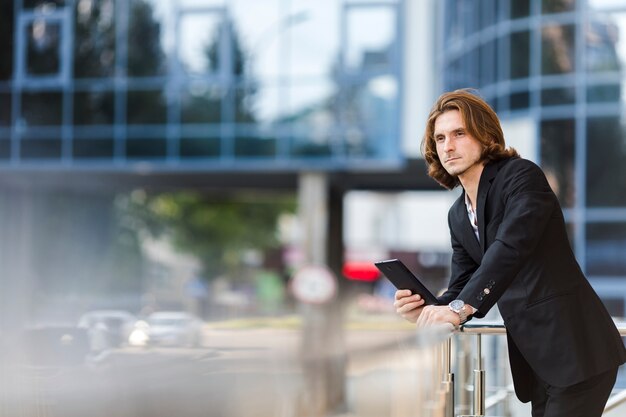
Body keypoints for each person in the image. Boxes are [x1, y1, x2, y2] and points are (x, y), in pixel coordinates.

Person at [394, 89, 626, 417]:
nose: (448, 146)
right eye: (440, 138)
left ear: (485, 134)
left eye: (459, 133)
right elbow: (462, 284)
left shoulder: (521, 176)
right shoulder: (459, 214)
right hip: (538, 363)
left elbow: (510, 248)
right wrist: (428, 309)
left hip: (577, 351)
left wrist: (457, 310)